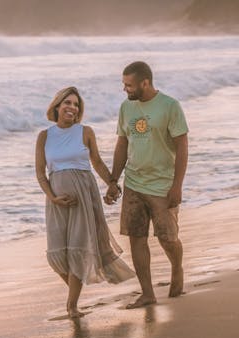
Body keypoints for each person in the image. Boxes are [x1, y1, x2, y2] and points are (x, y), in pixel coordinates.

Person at [35, 86, 135, 319]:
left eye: (76, 105)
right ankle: (74, 293)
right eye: (67, 103)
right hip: (56, 202)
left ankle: (71, 306)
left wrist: (112, 182)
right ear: (57, 106)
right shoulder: (45, 136)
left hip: (84, 196)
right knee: (58, 253)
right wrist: (53, 197)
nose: (72, 107)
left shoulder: (85, 132)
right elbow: (41, 173)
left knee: (78, 251)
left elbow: (97, 162)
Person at [105, 61, 189, 309]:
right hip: (133, 183)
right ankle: (148, 293)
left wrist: (177, 186)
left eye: (129, 85)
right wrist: (113, 179)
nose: (125, 89)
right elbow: (122, 144)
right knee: (136, 238)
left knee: (168, 239)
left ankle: (176, 268)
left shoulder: (170, 106)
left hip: (162, 185)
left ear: (145, 83)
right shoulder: (126, 108)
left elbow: (182, 147)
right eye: (123, 84)